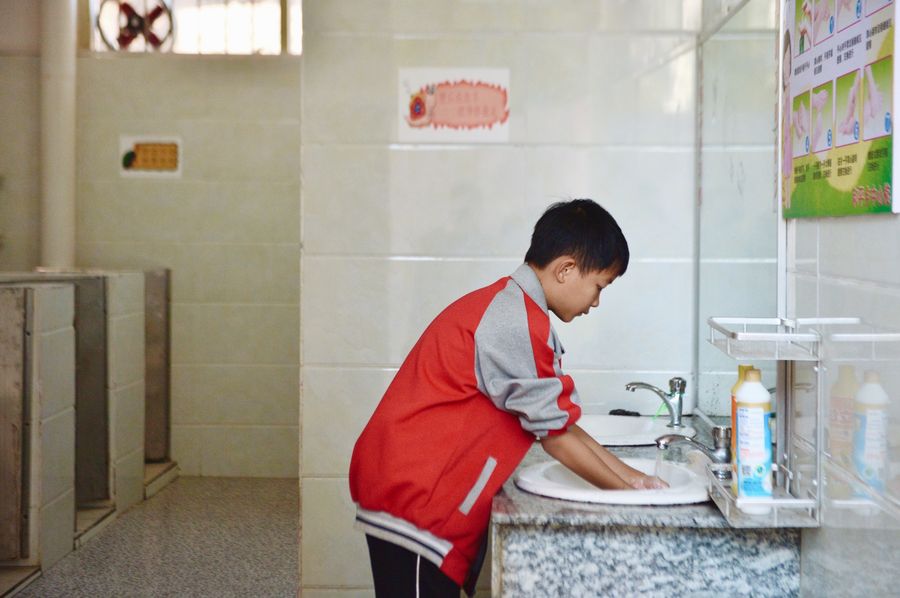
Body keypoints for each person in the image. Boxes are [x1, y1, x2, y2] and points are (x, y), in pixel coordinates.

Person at [349, 199, 667, 597]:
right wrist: (631, 498)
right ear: (566, 269)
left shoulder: (515, 309)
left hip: (415, 493)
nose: (596, 301)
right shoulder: (514, 321)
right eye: (599, 287)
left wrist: (636, 480)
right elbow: (557, 438)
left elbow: (561, 424)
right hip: (416, 501)